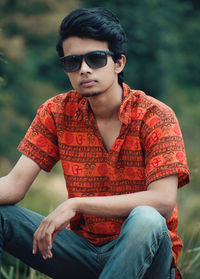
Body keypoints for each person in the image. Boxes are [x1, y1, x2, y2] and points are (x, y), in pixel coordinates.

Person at [0, 7, 189, 279]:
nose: (84, 69)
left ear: (119, 63)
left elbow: (162, 200)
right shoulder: (56, 112)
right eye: (72, 62)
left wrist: (76, 205)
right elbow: (14, 184)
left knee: (146, 219)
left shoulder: (155, 116)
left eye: (96, 59)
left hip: (148, 258)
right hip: (82, 252)